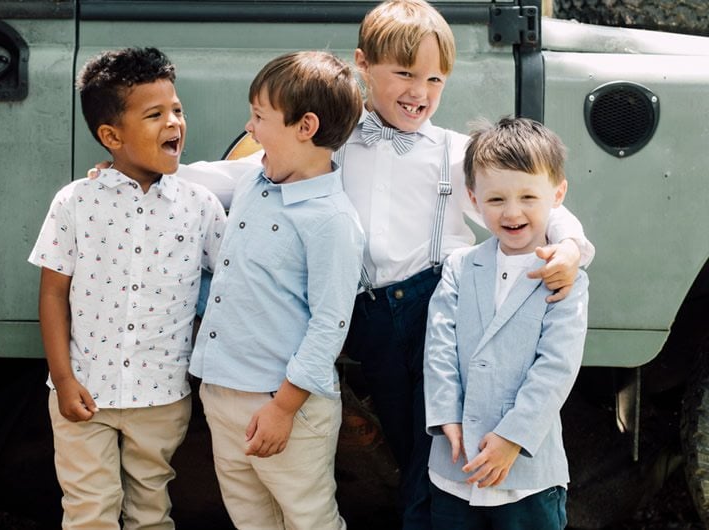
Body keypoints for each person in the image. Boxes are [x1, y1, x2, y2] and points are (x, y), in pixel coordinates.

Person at [89, 2, 594, 527]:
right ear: (362, 66)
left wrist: (571, 247)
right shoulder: (330, 141)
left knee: (438, 433)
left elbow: (534, 201)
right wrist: (142, 173)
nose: (418, 91)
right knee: (404, 431)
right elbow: (232, 177)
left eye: (434, 79)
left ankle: (425, 516)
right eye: (403, 74)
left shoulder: (454, 152)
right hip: (363, 311)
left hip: (434, 307)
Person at [28, 47, 226, 529]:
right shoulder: (75, 202)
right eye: (155, 114)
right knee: (87, 511)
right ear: (110, 136)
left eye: (177, 109)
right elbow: (53, 293)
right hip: (83, 392)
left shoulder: (200, 205)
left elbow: (231, 282)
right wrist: (64, 378)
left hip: (162, 395)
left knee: (150, 509)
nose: (174, 123)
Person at [188, 50, 364, 530]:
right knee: (249, 517)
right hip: (223, 392)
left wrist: (283, 408)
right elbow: (202, 175)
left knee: (308, 517)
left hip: (283, 402)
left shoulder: (332, 220)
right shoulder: (256, 179)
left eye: (260, 117)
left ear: (305, 126)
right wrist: (128, 168)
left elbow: (330, 325)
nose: (249, 128)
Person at [424, 117, 588, 530]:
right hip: (456, 465)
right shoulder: (461, 266)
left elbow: (556, 366)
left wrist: (512, 437)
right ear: (473, 199)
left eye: (528, 197)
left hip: (527, 477)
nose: (512, 212)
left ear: (558, 195)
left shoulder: (566, 275)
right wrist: (447, 413)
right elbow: (439, 345)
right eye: (496, 200)